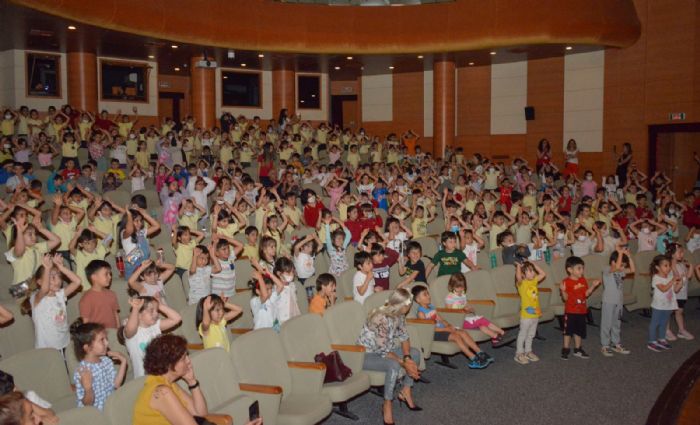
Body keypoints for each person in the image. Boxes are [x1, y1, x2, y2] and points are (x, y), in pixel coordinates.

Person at [133, 334, 262, 425]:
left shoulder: (167, 384)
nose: (189, 361)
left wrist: (192, 381)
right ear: (169, 364)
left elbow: (201, 414)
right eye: (183, 358)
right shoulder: (162, 392)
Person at [357, 289, 422, 425]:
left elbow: (404, 338)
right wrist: (405, 364)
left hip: (385, 350)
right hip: (366, 355)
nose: (410, 307)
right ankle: (387, 403)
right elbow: (383, 350)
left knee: (415, 353)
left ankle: (406, 390)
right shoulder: (381, 318)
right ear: (403, 306)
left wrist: (408, 358)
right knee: (393, 365)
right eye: (409, 304)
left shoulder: (399, 315)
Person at [412, 285, 491, 369]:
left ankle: (480, 353)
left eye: (428, 293)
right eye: (425, 294)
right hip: (435, 333)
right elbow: (428, 329)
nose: (428, 296)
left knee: (462, 332)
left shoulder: (431, 307)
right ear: (418, 300)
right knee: (456, 336)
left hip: (443, 329)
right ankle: (473, 358)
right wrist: (446, 329)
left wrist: (448, 325)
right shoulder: (421, 313)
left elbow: (441, 319)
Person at [21, 253, 81, 350]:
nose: (57, 281)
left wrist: (61, 268)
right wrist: (47, 268)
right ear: (40, 282)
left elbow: (77, 281)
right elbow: (44, 289)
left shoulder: (60, 294)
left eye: (59, 276)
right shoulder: (36, 298)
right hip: (47, 348)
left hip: (65, 343)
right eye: (52, 277)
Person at [70, 318, 128, 411]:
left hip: (110, 407)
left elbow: (116, 385)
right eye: (102, 340)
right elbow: (88, 404)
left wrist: (123, 362)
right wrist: (88, 388)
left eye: (106, 339)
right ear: (87, 348)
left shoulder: (106, 361)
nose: (107, 342)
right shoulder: (83, 371)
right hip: (95, 414)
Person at [559, 256, 601, 360]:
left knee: (579, 331)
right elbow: (565, 298)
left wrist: (593, 286)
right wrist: (563, 291)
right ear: (570, 270)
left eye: (582, 268)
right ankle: (565, 349)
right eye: (579, 268)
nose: (582, 271)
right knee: (568, 332)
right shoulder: (566, 282)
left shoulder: (583, 280)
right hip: (570, 311)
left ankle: (577, 349)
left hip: (582, 311)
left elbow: (586, 294)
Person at [600, 248, 634, 356]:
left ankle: (616, 343)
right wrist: (620, 253)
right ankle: (605, 345)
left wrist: (628, 256)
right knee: (607, 324)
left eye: (624, 265)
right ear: (613, 262)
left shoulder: (620, 272)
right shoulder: (607, 269)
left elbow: (632, 270)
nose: (623, 267)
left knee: (617, 323)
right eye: (622, 264)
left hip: (618, 302)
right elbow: (617, 267)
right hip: (608, 302)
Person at [647, 255, 683, 352]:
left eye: (669, 265)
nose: (668, 268)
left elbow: (675, 290)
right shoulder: (656, 278)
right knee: (654, 324)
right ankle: (652, 342)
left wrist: (680, 283)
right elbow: (663, 289)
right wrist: (672, 280)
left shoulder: (670, 277)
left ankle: (662, 339)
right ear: (657, 267)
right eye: (665, 265)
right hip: (658, 306)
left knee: (664, 323)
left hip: (668, 305)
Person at [514, 262, 546, 365]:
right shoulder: (522, 284)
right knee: (523, 334)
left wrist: (533, 264)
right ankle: (519, 353)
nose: (533, 273)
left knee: (531, 334)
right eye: (530, 271)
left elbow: (543, 274)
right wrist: (519, 267)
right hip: (526, 316)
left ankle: (528, 351)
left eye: (533, 271)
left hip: (535, 314)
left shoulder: (534, 281)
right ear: (523, 274)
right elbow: (518, 277)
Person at [78, 260, 120, 329]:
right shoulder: (86, 298)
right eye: (106, 274)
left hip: (113, 332)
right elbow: (86, 323)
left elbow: (116, 314)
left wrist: (118, 330)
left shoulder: (112, 294)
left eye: (110, 274)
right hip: (97, 336)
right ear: (94, 277)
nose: (110, 277)